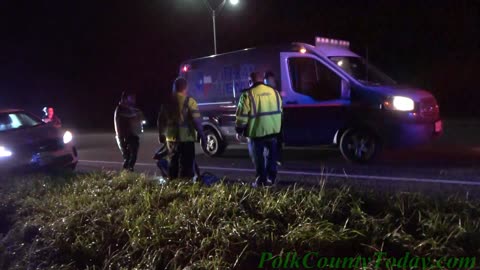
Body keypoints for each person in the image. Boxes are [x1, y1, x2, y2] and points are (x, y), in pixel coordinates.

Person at [236, 72, 282, 187]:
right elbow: (281, 111)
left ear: (250, 81)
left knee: (258, 158)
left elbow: (242, 117)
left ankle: (261, 181)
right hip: (273, 131)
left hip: (256, 133)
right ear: (263, 80)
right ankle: (271, 179)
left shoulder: (247, 95)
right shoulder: (275, 93)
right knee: (271, 157)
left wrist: (239, 131)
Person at [157, 77, 207, 180]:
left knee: (173, 164)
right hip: (186, 138)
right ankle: (185, 188)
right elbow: (196, 120)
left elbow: (160, 121)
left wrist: (161, 135)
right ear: (185, 87)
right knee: (186, 166)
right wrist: (202, 135)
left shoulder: (167, 102)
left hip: (171, 138)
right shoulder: (190, 101)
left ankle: (173, 185)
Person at [114, 91, 144, 172]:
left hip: (132, 135)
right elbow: (131, 115)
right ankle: (126, 174)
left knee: (133, 155)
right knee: (128, 157)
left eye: (134, 98)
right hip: (123, 136)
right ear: (125, 98)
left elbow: (138, 117)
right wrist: (137, 114)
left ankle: (128, 172)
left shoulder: (130, 108)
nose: (133, 100)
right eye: (131, 98)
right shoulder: (120, 109)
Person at [264, 71, 284, 167]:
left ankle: (277, 158)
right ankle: (272, 160)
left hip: (277, 120)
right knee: (271, 142)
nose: (273, 80)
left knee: (278, 140)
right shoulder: (265, 91)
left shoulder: (275, 89)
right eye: (271, 79)